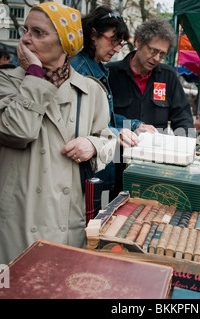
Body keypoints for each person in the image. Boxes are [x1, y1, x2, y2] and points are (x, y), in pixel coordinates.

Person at [0, 2, 116, 288]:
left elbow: (109, 141)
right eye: (25, 30)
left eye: (38, 32)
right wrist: (35, 75)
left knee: (53, 289)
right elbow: (17, 131)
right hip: (15, 216)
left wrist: (92, 144)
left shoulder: (92, 91)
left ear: (65, 43)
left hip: (64, 216)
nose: (26, 39)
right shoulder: (5, 80)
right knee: (7, 290)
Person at [70, 6, 155, 195]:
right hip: (83, 174)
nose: (117, 48)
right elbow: (77, 126)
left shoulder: (97, 68)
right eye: (114, 41)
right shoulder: (79, 71)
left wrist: (134, 125)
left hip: (98, 168)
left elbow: (102, 118)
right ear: (93, 34)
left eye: (121, 43)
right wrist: (119, 131)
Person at [107, 17, 194, 194]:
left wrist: (185, 151)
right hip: (117, 164)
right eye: (153, 50)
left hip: (155, 168)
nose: (156, 58)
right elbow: (100, 118)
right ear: (138, 42)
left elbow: (183, 117)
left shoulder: (168, 77)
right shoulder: (111, 74)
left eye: (162, 54)